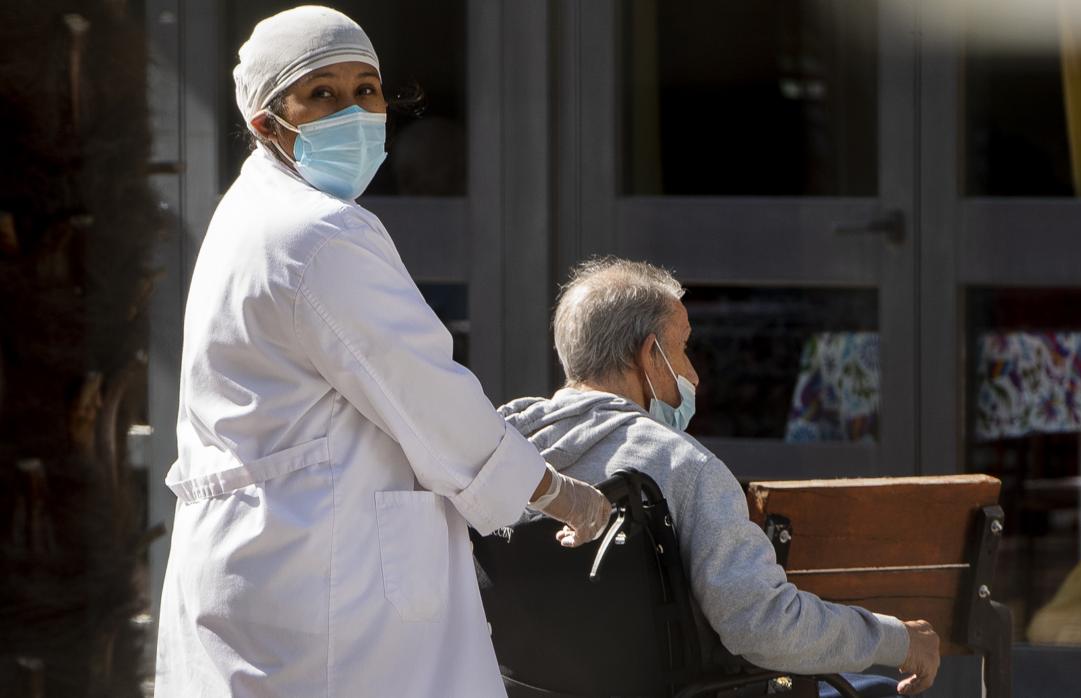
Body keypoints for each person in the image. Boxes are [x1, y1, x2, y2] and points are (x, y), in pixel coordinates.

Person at [154, 7, 611, 696]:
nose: (355, 111)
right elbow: (427, 395)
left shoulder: (248, 216)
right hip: (329, 588)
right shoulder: (321, 234)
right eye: (322, 94)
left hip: (265, 569)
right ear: (266, 123)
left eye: (366, 89)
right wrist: (555, 493)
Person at [499, 258, 941, 696]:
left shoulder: (497, 459)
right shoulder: (682, 467)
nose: (693, 374)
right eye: (684, 348)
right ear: (650, 355)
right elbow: (763, 626)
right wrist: (896, 638)